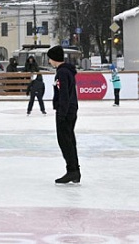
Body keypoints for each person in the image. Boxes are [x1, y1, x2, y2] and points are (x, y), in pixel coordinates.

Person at [47, 45, 81, 185]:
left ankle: (72, 170)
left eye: (49, 58)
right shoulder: (67, 71)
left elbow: (64, 94)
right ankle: (74, 171)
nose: (49, 61)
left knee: (65, 141)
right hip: (70, 110)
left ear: (54, 59)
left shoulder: (62, 73)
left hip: (66, 111)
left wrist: (61, 113)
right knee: (69, 140)